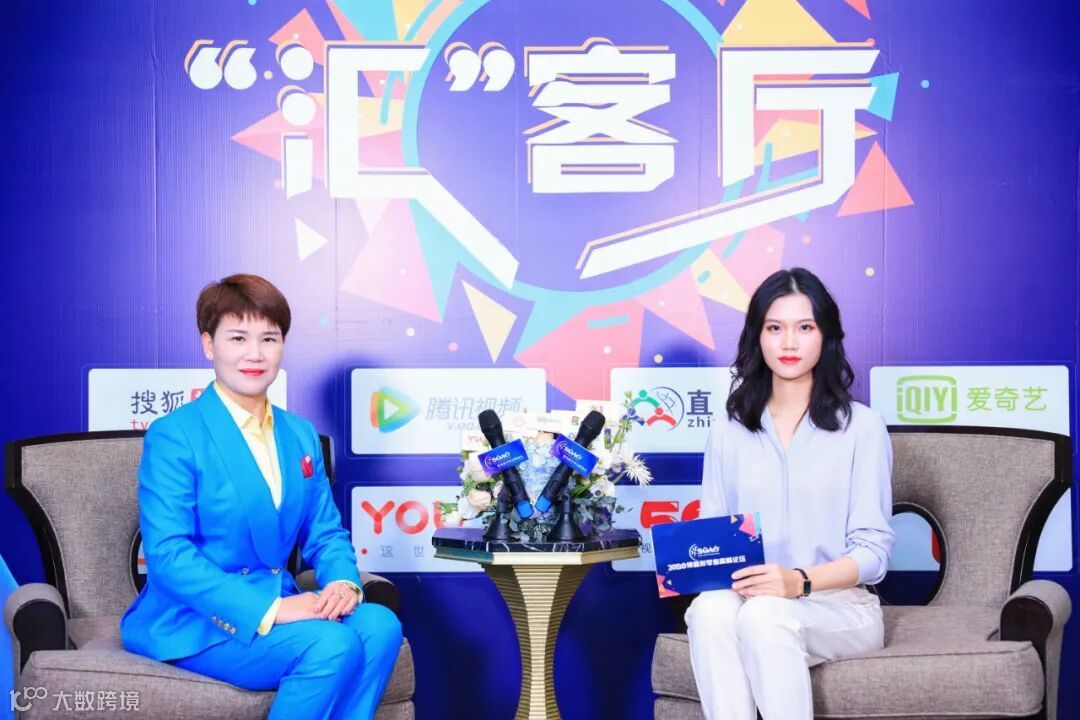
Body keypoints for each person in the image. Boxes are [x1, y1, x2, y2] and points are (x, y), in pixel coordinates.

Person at [120, 274, 402, 719]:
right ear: (208, 345)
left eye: (269, 338)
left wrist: (343, 583)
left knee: (380, 625)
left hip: (281, 600)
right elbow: (169, 555)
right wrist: (271, 609)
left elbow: (325, 533)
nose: (254, 354)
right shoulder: (175, 435)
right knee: (332, 644)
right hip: (196, 619)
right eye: (237, 338)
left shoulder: (300, 434)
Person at [685, 267, 894, 720]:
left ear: (826, 335)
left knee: (765, 616)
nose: (789, 343)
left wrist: (798, 581)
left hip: (840, 608)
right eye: (775, 328)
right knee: (708, 610)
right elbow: (713, 535)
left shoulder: (862, 427)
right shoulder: (728, 431)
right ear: (758, 337)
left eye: (805, 327)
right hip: (749, 598)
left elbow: (874, 554)